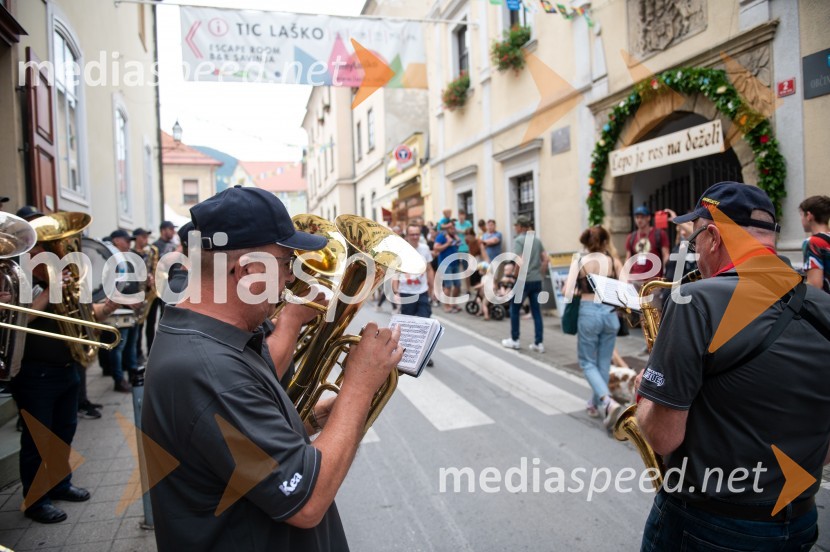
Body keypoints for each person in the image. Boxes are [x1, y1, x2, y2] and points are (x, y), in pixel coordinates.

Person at [143, 186, 405, 551]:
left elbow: (238, 445)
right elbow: (307, 501)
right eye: (285, 264)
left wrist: (313, 419)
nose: (289, 281)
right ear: (248, 270)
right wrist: (358, 387)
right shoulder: (210, 370)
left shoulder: (214, 338)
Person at [635, 182, 830, 550]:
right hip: (800, 521)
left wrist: (647, 394)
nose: (696, 255)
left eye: (694, 244)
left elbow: (662, 437)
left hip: (708, 523)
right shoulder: (823, 305)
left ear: (713, 237)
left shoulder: (694, 300)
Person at [11, 240, 127, 523]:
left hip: (67, 369)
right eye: (41, 253)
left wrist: (109, 306)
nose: (53, 259)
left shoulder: (66, 285)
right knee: (38, 440)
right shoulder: (17, 283)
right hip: (34, 375)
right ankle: (36, 501)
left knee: (64, 432)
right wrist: (50, 291)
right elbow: (17, 319)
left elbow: (89, 318)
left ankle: (60, 484)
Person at [572, 225, 624, 427]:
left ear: (586, 243)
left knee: (586, 362)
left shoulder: (580, 262)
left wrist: (579, 290)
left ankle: (607, 401)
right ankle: (594, 404)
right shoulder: (614, 261)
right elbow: (625, 289)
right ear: (605, 241)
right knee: (603, 361)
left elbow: (568, 291)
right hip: (610, 313)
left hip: (589, 312)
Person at [501, 215, 548, 352]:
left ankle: (515, 340)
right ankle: (538, 343)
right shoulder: (537, 241)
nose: (515, 228)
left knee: (514, 310)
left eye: (516, 226)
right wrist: (541, 274)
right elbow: (545, 260)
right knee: (536, 312)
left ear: (521, 227)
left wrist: (514, 276)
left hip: (523, 280)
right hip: (536, 280)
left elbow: (519, 260)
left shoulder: (519, 240)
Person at [393, 224, 436, 365]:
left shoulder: (424, 248)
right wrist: (395, 291)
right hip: (406, 293)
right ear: (407, 236)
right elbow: (395, 273)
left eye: (417, 234)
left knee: (425, 325)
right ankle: (405, 354)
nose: (415, 237)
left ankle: (423, 356)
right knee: (408, 327)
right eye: (412, 234)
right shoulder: (402, 251)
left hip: (422, 291)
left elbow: (429, 269)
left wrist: (433, 288)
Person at [105, 229, 140, 392]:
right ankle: (118, 380)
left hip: (131, 309)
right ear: (117, 241)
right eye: (127, 240)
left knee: (131, 343)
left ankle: (133, 373)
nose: (130, 244)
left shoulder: (126, 258)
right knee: (119, 345)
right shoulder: (109, 259)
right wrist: (127, 301)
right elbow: (107, 288)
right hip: (119, 310)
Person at [625, 205, 670, 283]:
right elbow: (628, 259)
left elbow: (666, 255)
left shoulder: (659, 234)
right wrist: (626, 276)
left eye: (642, 217)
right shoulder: (631, 237)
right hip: (635, 279)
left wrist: (666, 274)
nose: (639, 220)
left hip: (653, 280)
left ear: (648, 218)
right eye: (637, 217)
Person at [131, 228, 155, 364]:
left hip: (148, 292)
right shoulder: (131, 254)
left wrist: (151, 277)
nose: (146, 239)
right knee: (137, 326)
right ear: (137, 238)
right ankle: (137, 353)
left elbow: (151, 268)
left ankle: (151, 351)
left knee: (150, 324)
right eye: (144, 236)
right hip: (136, 293)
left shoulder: (148, 253)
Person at [799, 195, 830, 292]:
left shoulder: (813, 243)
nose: (801, 219)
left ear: (809, 216)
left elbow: (815, 285)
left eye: (801, 215)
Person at [432, 221, 462, 313]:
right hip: (445, 264)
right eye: (451, 228)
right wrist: (447, 244)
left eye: (454, 227)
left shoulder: (453, 236)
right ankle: (446, 306)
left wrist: (456, 239)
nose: (453, 229)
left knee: (458, 285)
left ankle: (453, 303)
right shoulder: (441, 236)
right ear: (447, 228)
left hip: (455, 263)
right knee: (448, 286)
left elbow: (459, 244)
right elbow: (436, 248)